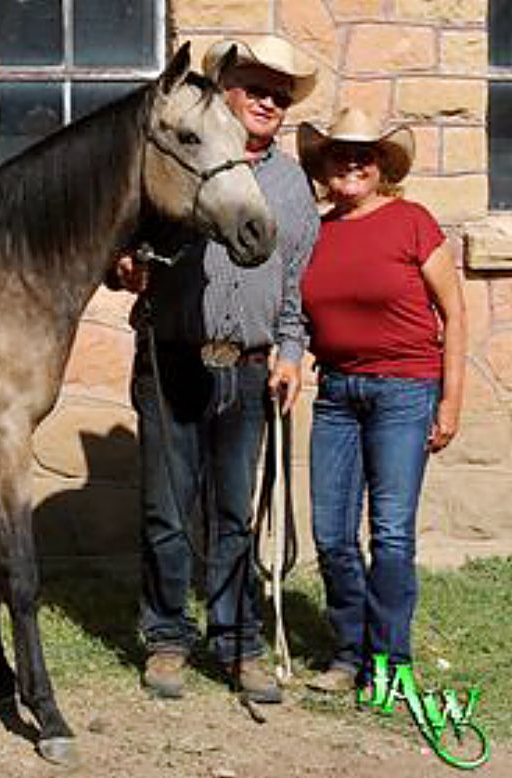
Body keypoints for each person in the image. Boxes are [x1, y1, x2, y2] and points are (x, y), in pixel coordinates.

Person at [112, 36, 320, 702]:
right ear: (225, 90)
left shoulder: (292, 186)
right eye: (255, 88)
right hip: (172, 358)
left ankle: (237, 643)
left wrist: (291, 354)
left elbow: (296, 287)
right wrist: (123, 267)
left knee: (234, 514)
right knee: (167, 513)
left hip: (250, 370)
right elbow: (119, 250)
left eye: (279, 95)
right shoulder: (177, 158)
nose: (268, 102)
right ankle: (167, 639)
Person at [297, 108, 467, 693]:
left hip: (404, 391)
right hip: (336, 393)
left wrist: (450, 402)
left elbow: (454, 314)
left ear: (381, 167)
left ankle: (389, 663)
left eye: (363, 155)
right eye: (340, 153)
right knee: (331, 534)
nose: (351, 163)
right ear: (324, 166)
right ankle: (349, 654)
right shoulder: (315, 232)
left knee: (391, 533)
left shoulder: (411, 221)